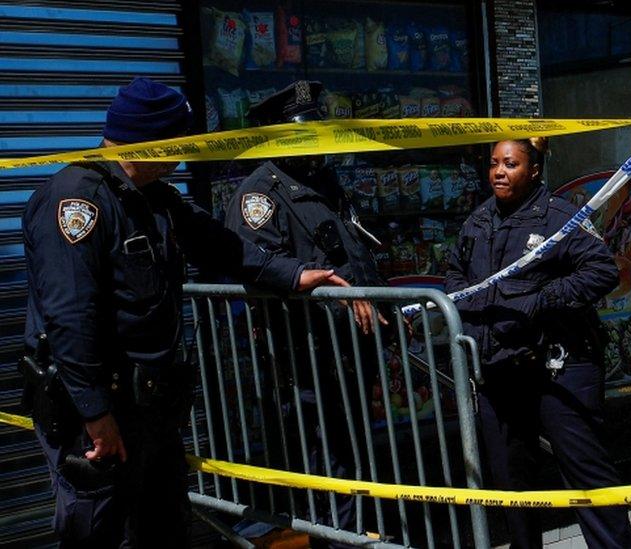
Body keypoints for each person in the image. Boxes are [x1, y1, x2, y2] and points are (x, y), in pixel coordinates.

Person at [22, 77, 348, 548]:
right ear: (152, 141)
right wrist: (96, 414)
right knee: (95, 533)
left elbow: (224, 246)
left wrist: (294, 274)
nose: (184, 155)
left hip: (150, 406)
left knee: (164, 530)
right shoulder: (76, 200)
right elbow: (71, 317)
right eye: (180, 143)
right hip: (96, 413)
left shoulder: (156, 198)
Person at [445, 137, 631, 548]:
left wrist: (542, 301)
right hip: (500, 368)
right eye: (494, 163)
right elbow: (454, 275)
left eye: (510, 164)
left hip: (560, 367)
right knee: (513, 484)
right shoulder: (477, 221)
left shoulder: (560, 219)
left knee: (588, 477)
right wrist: (480, 306)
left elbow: (603, 270)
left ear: (533, 170)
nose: (499, 171)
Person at [223, 80, 388, 545]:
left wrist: (381, 300)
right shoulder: (260, 194)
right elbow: (259, 263)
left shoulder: (324, 183)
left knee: (353, 458)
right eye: (303, 133)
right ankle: (339, 539)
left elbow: (354, 253)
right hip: (306, 357)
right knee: (325, 465)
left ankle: (352, 535)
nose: (315, 141)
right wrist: (321, 286)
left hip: (348, 354)